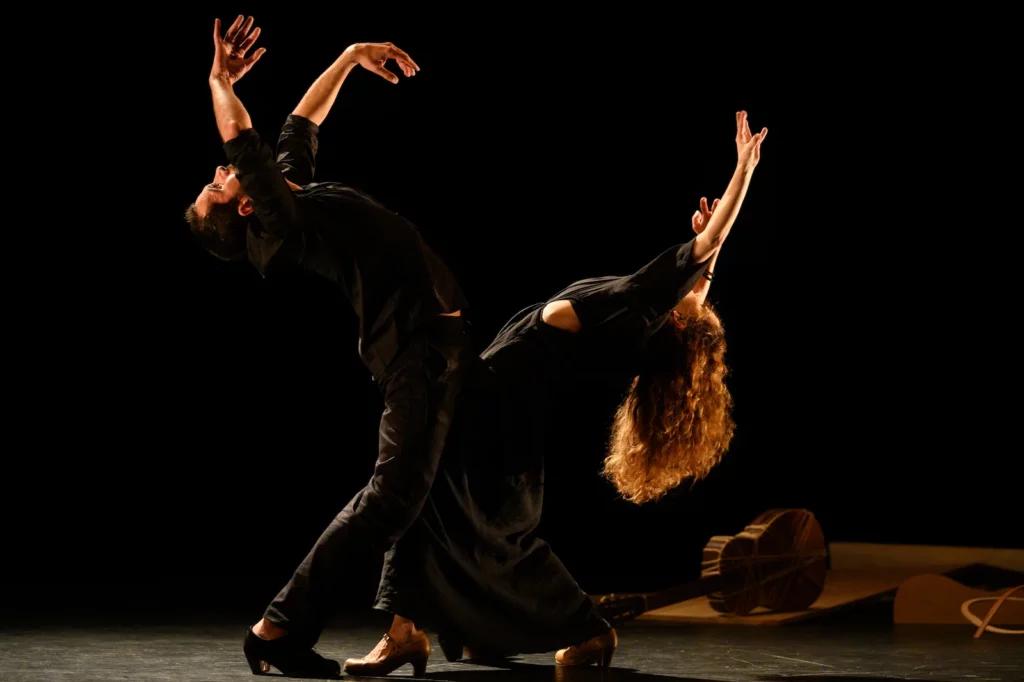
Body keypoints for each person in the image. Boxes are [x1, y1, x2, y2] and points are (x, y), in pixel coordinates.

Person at [339, 111, 767, 676]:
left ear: (680, 324)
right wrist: (706, 245)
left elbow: (705, 249)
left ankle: (411, 634)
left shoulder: (641, 306)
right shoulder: (648, 315)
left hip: (493, 417)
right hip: (498, 417)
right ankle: (446, 630)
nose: (700, 291)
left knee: (422, 500)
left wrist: (743, 170)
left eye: (698, 299)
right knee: (479, 533)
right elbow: (707, 261)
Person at [183, 16, 471, 678]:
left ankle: (413, 626)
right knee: (392, 494)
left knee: (443, 486)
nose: (221, 173)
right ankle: (276, 630)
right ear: (246, 208)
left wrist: (348, 56)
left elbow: (296, 129)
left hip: (442, 344)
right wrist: (218, 80)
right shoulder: (280, 221)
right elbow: (245, 142)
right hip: (413, 356)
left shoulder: (290, 197)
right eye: (217, 186)